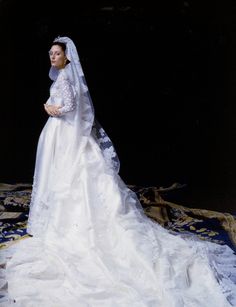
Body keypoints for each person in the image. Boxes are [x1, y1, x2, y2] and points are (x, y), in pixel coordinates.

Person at [0, 36, 236, 307]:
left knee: (72, 180)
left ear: (67, 57)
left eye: (56, 54)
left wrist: (51, 109)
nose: (52, 57)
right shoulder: (64, 76)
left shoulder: (66, 78)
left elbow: (71, 107)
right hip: (63, 133)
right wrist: (51, 106)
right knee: (64, 179)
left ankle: (68, 225)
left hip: (66, 133)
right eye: (50, 53)